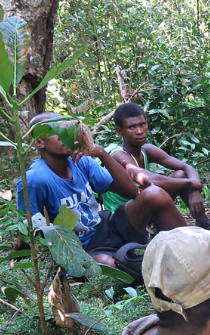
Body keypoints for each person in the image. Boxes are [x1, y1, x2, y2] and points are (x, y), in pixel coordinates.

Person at [16, 112, 186, 268]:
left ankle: (190, 249)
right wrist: (19, 262)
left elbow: (131, 192)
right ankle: (157, 265)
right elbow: (28, 228)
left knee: (154, 194)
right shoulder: (35, 179)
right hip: (80, 248)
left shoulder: (81, 161)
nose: (65, 136)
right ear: (39, 142)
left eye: (67, 130)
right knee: (107, 264)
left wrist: (102, 154)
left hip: (106, 227)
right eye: (55, 132)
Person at [103, 102, 210, 229]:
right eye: (132, 127)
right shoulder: (119, 155)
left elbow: (187, 167)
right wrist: (192, 183)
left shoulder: (146, 149)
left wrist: (194, 189)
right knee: (156, 189)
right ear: (119, 131)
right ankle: (161, 230)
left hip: (144, 204)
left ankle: (203, 221)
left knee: (180, 175)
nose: (139, 131)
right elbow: (151, 180)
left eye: (142, 125)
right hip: (124, 216)